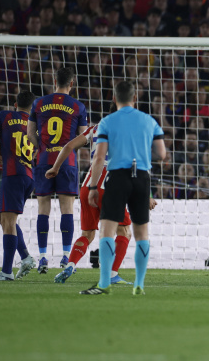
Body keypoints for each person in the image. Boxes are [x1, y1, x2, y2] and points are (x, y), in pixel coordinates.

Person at [80, 81, 165, 295]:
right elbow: (162, 154)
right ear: (135, 98)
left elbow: (99, 157)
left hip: (117, 177)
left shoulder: (107, 122)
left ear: (115, 99)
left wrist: (92, 187)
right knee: (141, 233)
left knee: (107, 230)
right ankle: (139, 284)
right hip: (141, 177)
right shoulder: (148, 121)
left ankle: (104, 283)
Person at [49, 115, 136, 286]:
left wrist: (55, 167)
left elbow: (68, 146)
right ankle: (111, 273)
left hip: (88, 185)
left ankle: (71, 264)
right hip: (111, 186)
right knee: (124, 231)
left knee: (87, 234)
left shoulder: (95, 128)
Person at [27, 66, 88, 274]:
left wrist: (42, 147)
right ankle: (65, 256)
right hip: (67, 162)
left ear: (55, 81)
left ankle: (43, 257)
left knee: (43, 208)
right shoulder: (78, 106)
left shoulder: (38, 103)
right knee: (67, 209)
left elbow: (29, 134)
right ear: (72, 83)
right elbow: (82, 137)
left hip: (43, 160)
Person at [0, 90, 37, 281]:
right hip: (29, 175)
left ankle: (6, 272)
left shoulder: (5, 115)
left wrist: (3, 148)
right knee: (3, 218)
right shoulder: (34, 123)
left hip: (12, 174)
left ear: (15, 104)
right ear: (32, 108)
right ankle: (26, 257)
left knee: (9, 221)